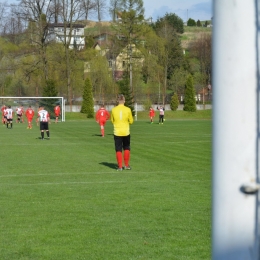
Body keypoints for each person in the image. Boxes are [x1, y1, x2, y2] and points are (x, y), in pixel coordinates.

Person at [111, 94, 133, 171]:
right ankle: (126, 165)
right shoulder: (128, 109)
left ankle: (120, 166)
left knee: (118, 149)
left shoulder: (114, 110)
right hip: (126, 132)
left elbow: (112, 121)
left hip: (117, 132)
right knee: (126, 147)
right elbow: (131, 121)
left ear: (117, 101)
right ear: (124, 101)